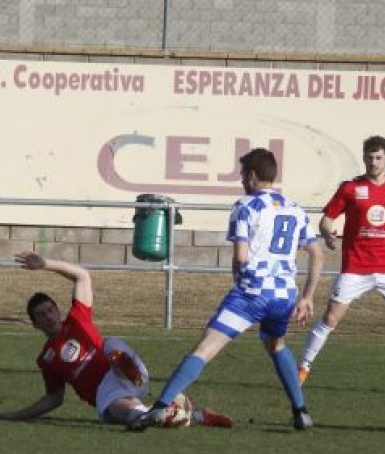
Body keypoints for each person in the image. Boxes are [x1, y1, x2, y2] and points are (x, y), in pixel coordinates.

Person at [128, 147, 324, 432]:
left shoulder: (246, 206)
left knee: (205, 348)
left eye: (244, 174)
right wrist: (306, 297)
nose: (242, 180)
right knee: (276, 345)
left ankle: (159, 408)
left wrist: (238, 278)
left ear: (253, 176)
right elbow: (317, 253)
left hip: (251, 293)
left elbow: (242, 257)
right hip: (285, 295)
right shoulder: (295, 209)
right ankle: (301, 411)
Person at [2, 250, 233, 428]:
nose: (49, 316)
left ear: (57, 310)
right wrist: (16, 415)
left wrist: (45, 264)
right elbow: (54, 398)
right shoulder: (46, 359)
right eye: (41, 315)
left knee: (110, 343)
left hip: (121, 371)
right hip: (107, 396)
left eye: (50, 309)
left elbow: (82, 276)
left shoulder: (76, 320)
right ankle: (195, 416)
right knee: (137, 416)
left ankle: (136, 383)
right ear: (34, 324)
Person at [298, 135, 385, 384]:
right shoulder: (350, 189)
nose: (374, 162)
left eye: (378, 157)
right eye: (370, 157)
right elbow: (326, 219)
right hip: (356, 267)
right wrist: (328, 233)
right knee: (330, 318)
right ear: (363, 158)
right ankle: (303, 368)